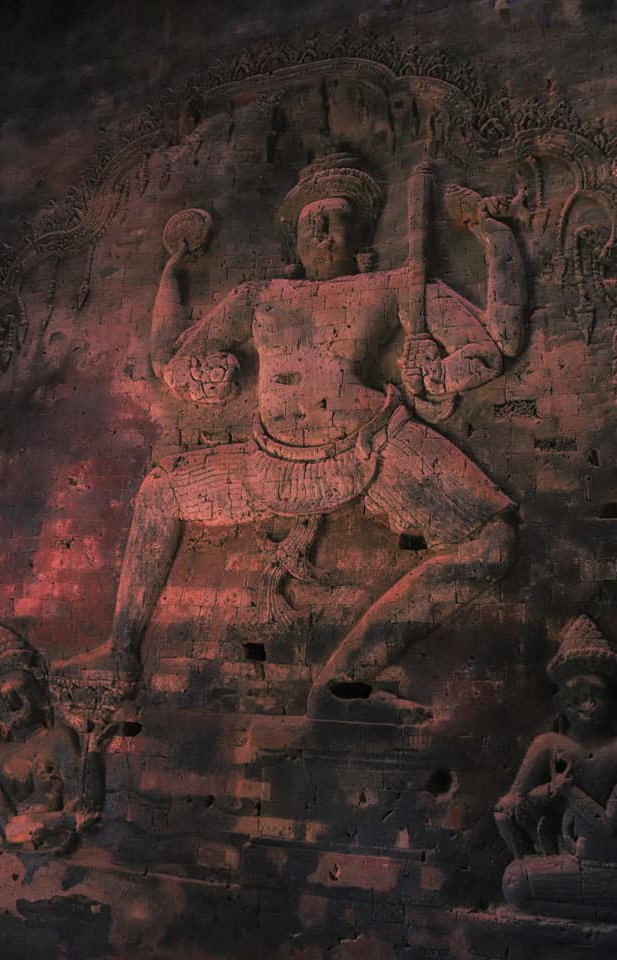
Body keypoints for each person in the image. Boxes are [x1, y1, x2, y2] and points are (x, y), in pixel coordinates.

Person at [77, 152, 525, 723]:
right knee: (160, 490)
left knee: (493, 542)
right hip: (270, 458)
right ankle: (120, 653)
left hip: (374, 442)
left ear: (362, 234)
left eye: (336, 219)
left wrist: (443, 361)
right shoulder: (258, 296)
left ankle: (342, 683)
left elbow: (496, 345)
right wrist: (203, 369)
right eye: (312, 219)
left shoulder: (394, 285)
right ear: (294, 236)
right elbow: (174, 359)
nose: (321, 229)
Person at [495, 614, 617, 919]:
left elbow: (610, 827)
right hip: (568, 861)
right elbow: (513, 805)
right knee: (516, 881)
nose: (587, 704)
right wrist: (544, 794)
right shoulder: (549, 744)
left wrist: (568, 791)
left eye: (595, 693)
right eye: (576, 695)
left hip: (607, 861)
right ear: (560, 702)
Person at [0, 623, 85, 853]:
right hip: (12, 847)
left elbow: (79, 806)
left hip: (55, 843)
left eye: (19, 689)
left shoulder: (58, 738)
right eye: (1, 697)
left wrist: (58, 820)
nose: (10, 701)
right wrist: (62, 820)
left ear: (40, 692)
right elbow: (10, 830)